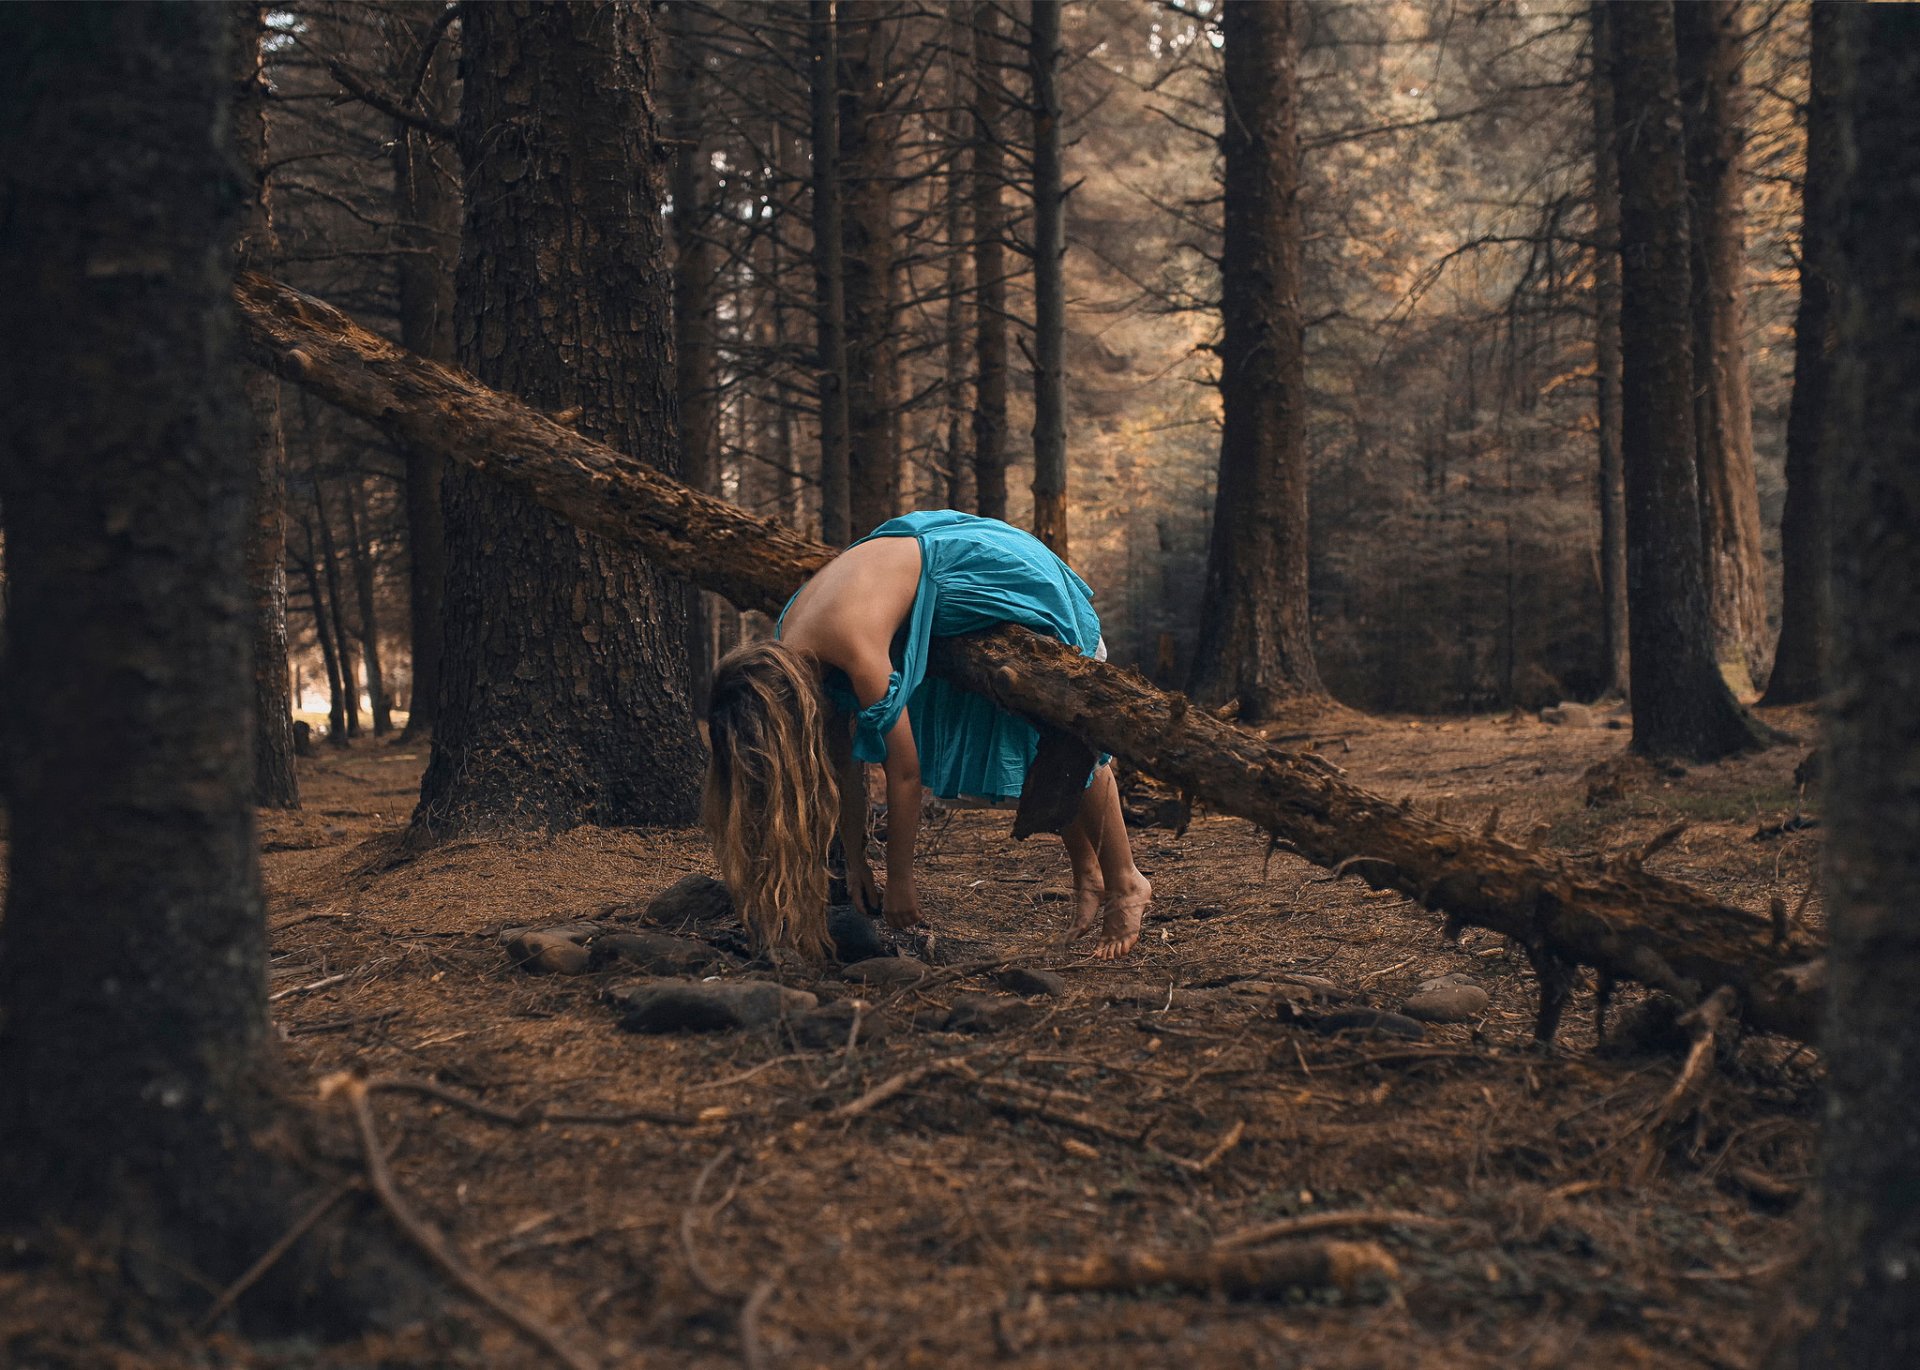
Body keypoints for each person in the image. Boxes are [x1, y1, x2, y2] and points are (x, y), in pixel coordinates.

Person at [703, 510, 1152, 960]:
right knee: (1030, 723)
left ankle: (1127, 880)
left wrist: (900, 879)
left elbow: (904, 773)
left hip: (983, 566)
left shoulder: (850, 646)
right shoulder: (791, 646)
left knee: (1067, 719)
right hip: (920, 563)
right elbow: (843, 761)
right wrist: (856, 858)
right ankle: (1088, 872)